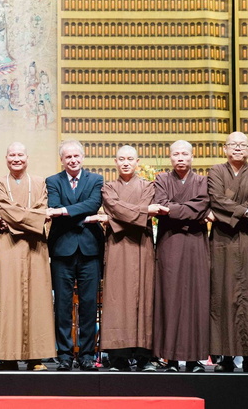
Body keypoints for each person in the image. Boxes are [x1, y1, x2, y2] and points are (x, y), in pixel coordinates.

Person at [99, 145, 166, 372]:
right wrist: (142, 211)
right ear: (115, 162)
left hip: (142, 246)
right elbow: (114, 206)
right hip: (118, 246)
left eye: (130, 159)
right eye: (121, 159)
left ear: (137, 162)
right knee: (117, 299)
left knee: (143, 297)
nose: (126, 163)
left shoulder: (148, 186)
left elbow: (117, 211)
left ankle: (144, 357)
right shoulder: (108, 187)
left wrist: (117, 216)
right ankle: (118, 357)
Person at [0, 142, 55, 371]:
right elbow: (4, 209)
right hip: (8, 246)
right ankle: (7, 356)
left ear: (27, 157)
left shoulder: (39, 182)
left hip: (35, 246)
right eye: (12, 155)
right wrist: (32, 219)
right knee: (7, 300)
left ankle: (35, 357)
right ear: (6, 158)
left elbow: (43, 209)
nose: (16, 158)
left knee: (37, 301)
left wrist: (20, 220)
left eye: (20, 154)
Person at [207, 132, 248, 373]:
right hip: (222, 242)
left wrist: (239, 208)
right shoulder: (215, 172)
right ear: (225, 149)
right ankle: (225, 357)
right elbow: (216, 200)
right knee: (222, 297)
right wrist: (245, 212)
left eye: (243, 145)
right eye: (233, 145)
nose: (238, 149)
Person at [153, 140, 212, 373]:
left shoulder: (202, 181)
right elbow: (160, 205)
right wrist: (190, 211)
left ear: (192, 157)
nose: (180, 157)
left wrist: (174, 210)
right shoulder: (161, 180)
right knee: (170, 298)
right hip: (170, 244)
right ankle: (171, 359)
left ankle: (194, 359)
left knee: (196, 298)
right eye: (176, 154)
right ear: (170, 158)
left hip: (196, 245)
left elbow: (203, 205)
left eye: (184, 154)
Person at [45, 140, 104, 371]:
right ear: (62, 159)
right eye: (68, 157)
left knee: (89, 304)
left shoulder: (96, 180)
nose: (73, 160)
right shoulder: (53, 181)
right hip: (62, 250)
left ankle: (87, 354)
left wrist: (65, 212)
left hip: (90, 250)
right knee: (62, 305)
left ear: (83, 157)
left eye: (76, 156)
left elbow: (94, 203)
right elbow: (53, 205)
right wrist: (83, 216)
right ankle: (65, 354)